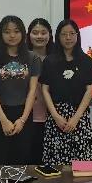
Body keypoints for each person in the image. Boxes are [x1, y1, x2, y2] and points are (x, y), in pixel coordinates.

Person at [0, 16, 41, 165]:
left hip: (23, 114)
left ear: (22, 33)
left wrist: (22, 120)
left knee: (21, 161)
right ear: (1, 34)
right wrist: (3, 120)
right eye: (7, 32)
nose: (12, 35)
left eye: (16, 31)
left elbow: (32, 91)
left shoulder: (32, 58)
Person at [40, 19, 92, 166]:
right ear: (58, 37)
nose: (68, 38)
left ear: (77, 35)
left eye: (72, 34)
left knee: (82, 165)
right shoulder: (50, 61)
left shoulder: (86, 61)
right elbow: (45, 90)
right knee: (55, 166)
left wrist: (76, 118)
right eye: (64, 34)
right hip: (56, 118)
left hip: (79, 118)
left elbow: (89, 90)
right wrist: (55, 116)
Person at [25, 18, 54, 164]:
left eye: (43, 32)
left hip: (52, 118)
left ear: (50, 35)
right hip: (27, 117)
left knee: (49, 162)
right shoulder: (21, 58)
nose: (39, 36)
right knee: (30, 159)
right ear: (28, 35)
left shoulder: (56, 58)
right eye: (35, 32)